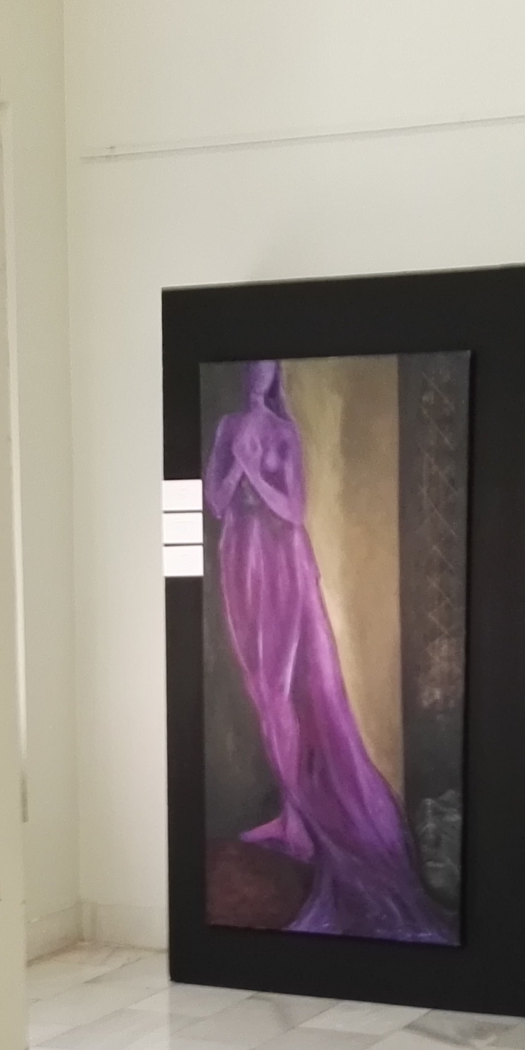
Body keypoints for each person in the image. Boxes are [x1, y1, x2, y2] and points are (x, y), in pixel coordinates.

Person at [205, 362, 455, 943]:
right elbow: (216, 502)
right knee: (262, 690)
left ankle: (308, 811)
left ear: (275, 377)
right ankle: (292, 809)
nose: (258, 377)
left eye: (267, 370)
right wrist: (236, 467)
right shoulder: (227, 427)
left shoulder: (283, 433)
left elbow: (291, 508)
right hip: (241, 551)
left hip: (282, 555)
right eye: (252, 369)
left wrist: (253, 472)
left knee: (295, 686)